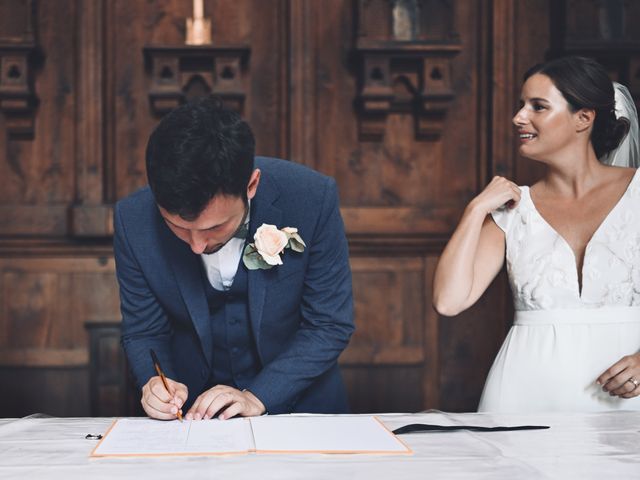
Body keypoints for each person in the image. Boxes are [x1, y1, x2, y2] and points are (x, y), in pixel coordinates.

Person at [113, 97, 354, 420]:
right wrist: (156, 384)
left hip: (304, 410)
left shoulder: (311, 197)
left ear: (251, 185)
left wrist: (258, 396)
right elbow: (145, 331)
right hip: (192, 420)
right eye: (178, 228)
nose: (197, 246)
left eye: (214, 228)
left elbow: (329, 324)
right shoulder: (133, 219)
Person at [433, 56, 640, 412]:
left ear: (583, 118)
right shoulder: (513, 210)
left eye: (538, 106)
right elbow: (449, 301)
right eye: (520, 105)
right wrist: (476, 210)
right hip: (523, 395)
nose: (519, 117)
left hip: (626, 395)